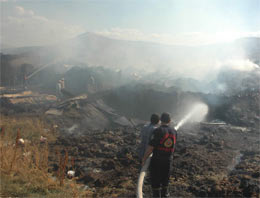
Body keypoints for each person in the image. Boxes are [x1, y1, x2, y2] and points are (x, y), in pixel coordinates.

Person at [142, 112, 177, 198]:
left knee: (156, 183)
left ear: (160, 120)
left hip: (157, 161)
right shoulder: (174, 131)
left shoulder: (157, 131)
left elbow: (150, 148)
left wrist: (144, 159)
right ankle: (165, 195)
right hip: (168, 160)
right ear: (170, 120)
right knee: (165, 181)